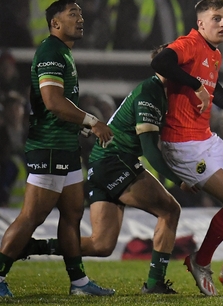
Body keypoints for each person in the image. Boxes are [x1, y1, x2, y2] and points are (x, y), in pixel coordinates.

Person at [19, 44, 185, 294]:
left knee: (101, 245)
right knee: (170, 210)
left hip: (102, 162)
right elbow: (150, 150)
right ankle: (154, 283)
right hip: (115, 160)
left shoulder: (161, 92)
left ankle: (33, 248)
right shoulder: (150, 93)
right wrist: (178, 179)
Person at [150, 0, 223, 296]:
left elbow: (211, 84)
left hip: (204, 137)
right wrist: (194, 86)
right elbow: (160, 61)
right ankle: (199, 262)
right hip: (183, 144)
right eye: (216, 18)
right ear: (200, 23)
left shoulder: (213, 53)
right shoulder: (189, 44)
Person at [0, 0, 115, 297]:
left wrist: (77, 125)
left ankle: (78, 283)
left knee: (73, 212)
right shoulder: (51, 50)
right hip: (49, 147)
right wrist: (91, 121)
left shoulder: (63, 52)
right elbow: (52, 102)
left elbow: (58, 104)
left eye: (81, 13)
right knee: (32, 217)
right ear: (55, 23)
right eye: (72, 14)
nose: (80, 18)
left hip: (65, 147)